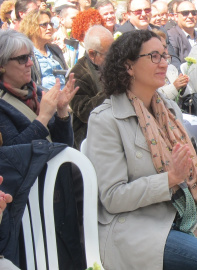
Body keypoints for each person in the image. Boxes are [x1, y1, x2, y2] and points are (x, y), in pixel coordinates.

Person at [84, 29, 197, 270]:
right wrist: (171, 178)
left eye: (165, 56)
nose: (164, 63)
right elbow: (113, 198)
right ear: (128, 66)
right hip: (138, 225)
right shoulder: (105, 119)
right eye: (154, 56)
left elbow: (178, 170)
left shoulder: (167, 108)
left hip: (182, 214)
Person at [0, 29, 84, 269]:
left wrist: (61, 112)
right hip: (23, 200)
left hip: (54, 189)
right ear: (2, 65)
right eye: (21, 59)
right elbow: (13, 155)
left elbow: (63, 145)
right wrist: (43, 116)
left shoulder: (35, 92)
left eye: (30, 57)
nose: (29, 63)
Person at [69, 25, 113, 149]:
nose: (114, 57)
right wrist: (112, 88)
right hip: (92, 141)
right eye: (109, 54)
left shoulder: (111, 64)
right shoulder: (77, 75)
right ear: (92, 54)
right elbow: (84, 112)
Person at [20, 9, 68, 90]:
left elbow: (67, 75)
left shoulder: (55, 49)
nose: (49, 27)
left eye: (50, 24)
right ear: (31, 28)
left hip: (65, 96)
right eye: (44, 25)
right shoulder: (26, 53)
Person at [154, 30, 189, 100]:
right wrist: (174, 87)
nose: (165, 51)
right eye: (161, 47)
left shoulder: (171, 68)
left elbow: (186, 95)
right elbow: (155, 97)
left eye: (165, 47)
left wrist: (183, 86)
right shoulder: (149, 71)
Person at [168, 1, 197, 69]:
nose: (190, 16)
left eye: (194, 13)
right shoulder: (171, 36)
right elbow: (174, 63)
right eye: (185, 13)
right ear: (176, 16)